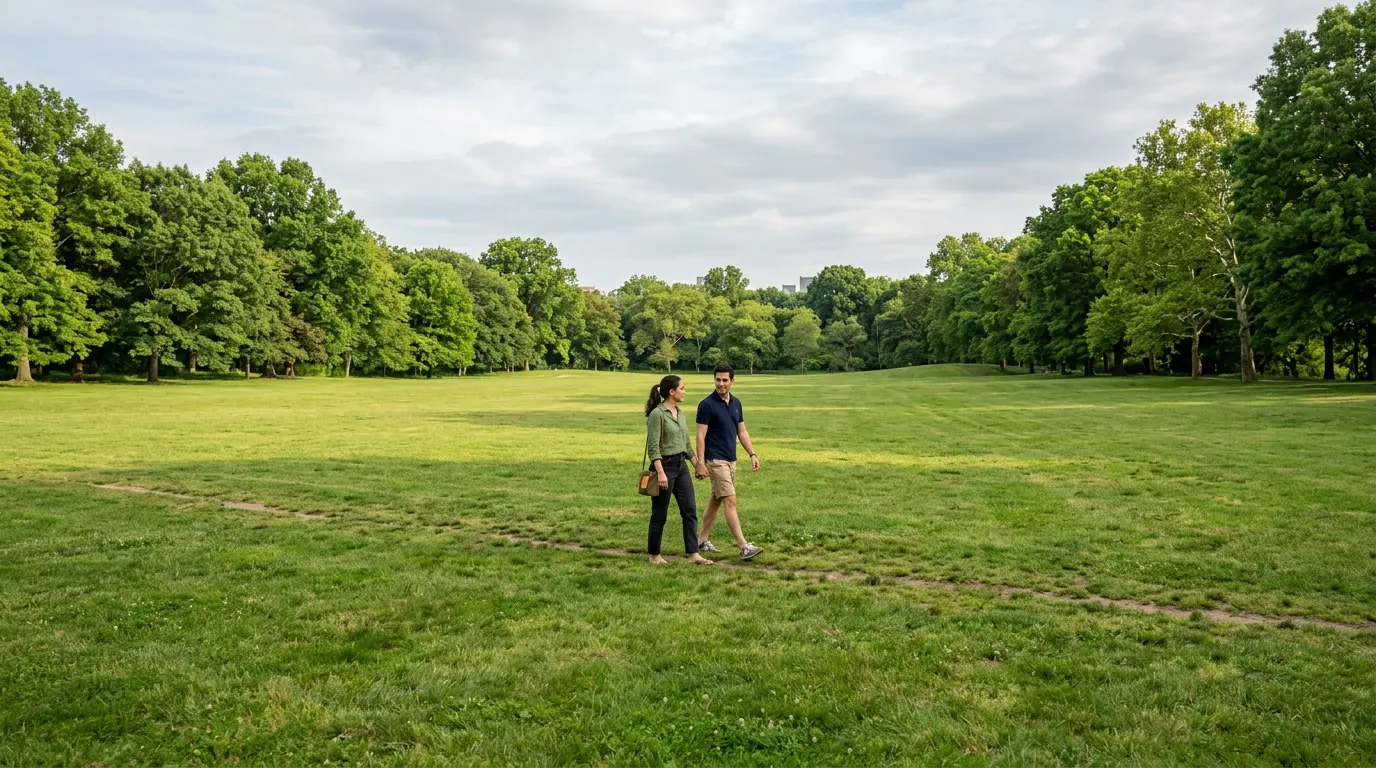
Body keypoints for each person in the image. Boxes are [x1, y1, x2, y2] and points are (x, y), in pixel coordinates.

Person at [694, 364, 764, 560]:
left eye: (725, 380)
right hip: (715, 460)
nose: (721, 384)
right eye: (718, 379)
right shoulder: (706, 405)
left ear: (732, 381)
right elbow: (700, 436)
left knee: (716, 500)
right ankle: (744, 546)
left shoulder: (736, 403)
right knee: (730, 500)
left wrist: (752, 454)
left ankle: (701, 540)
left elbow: (741, 431)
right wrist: (700, 462)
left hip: (731, 459)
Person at [645, 375, 715, 566]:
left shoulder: (680, 413)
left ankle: (693, 553)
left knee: (690, 510)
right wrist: (660, 473)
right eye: (682, 388)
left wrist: (697, 464)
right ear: (672, 392)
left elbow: (685, 443)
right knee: (660, 513)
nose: (685, 391)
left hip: (681, 466)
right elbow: (653, 447)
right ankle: (655, 555)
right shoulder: (657, 414)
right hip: (664, 466)